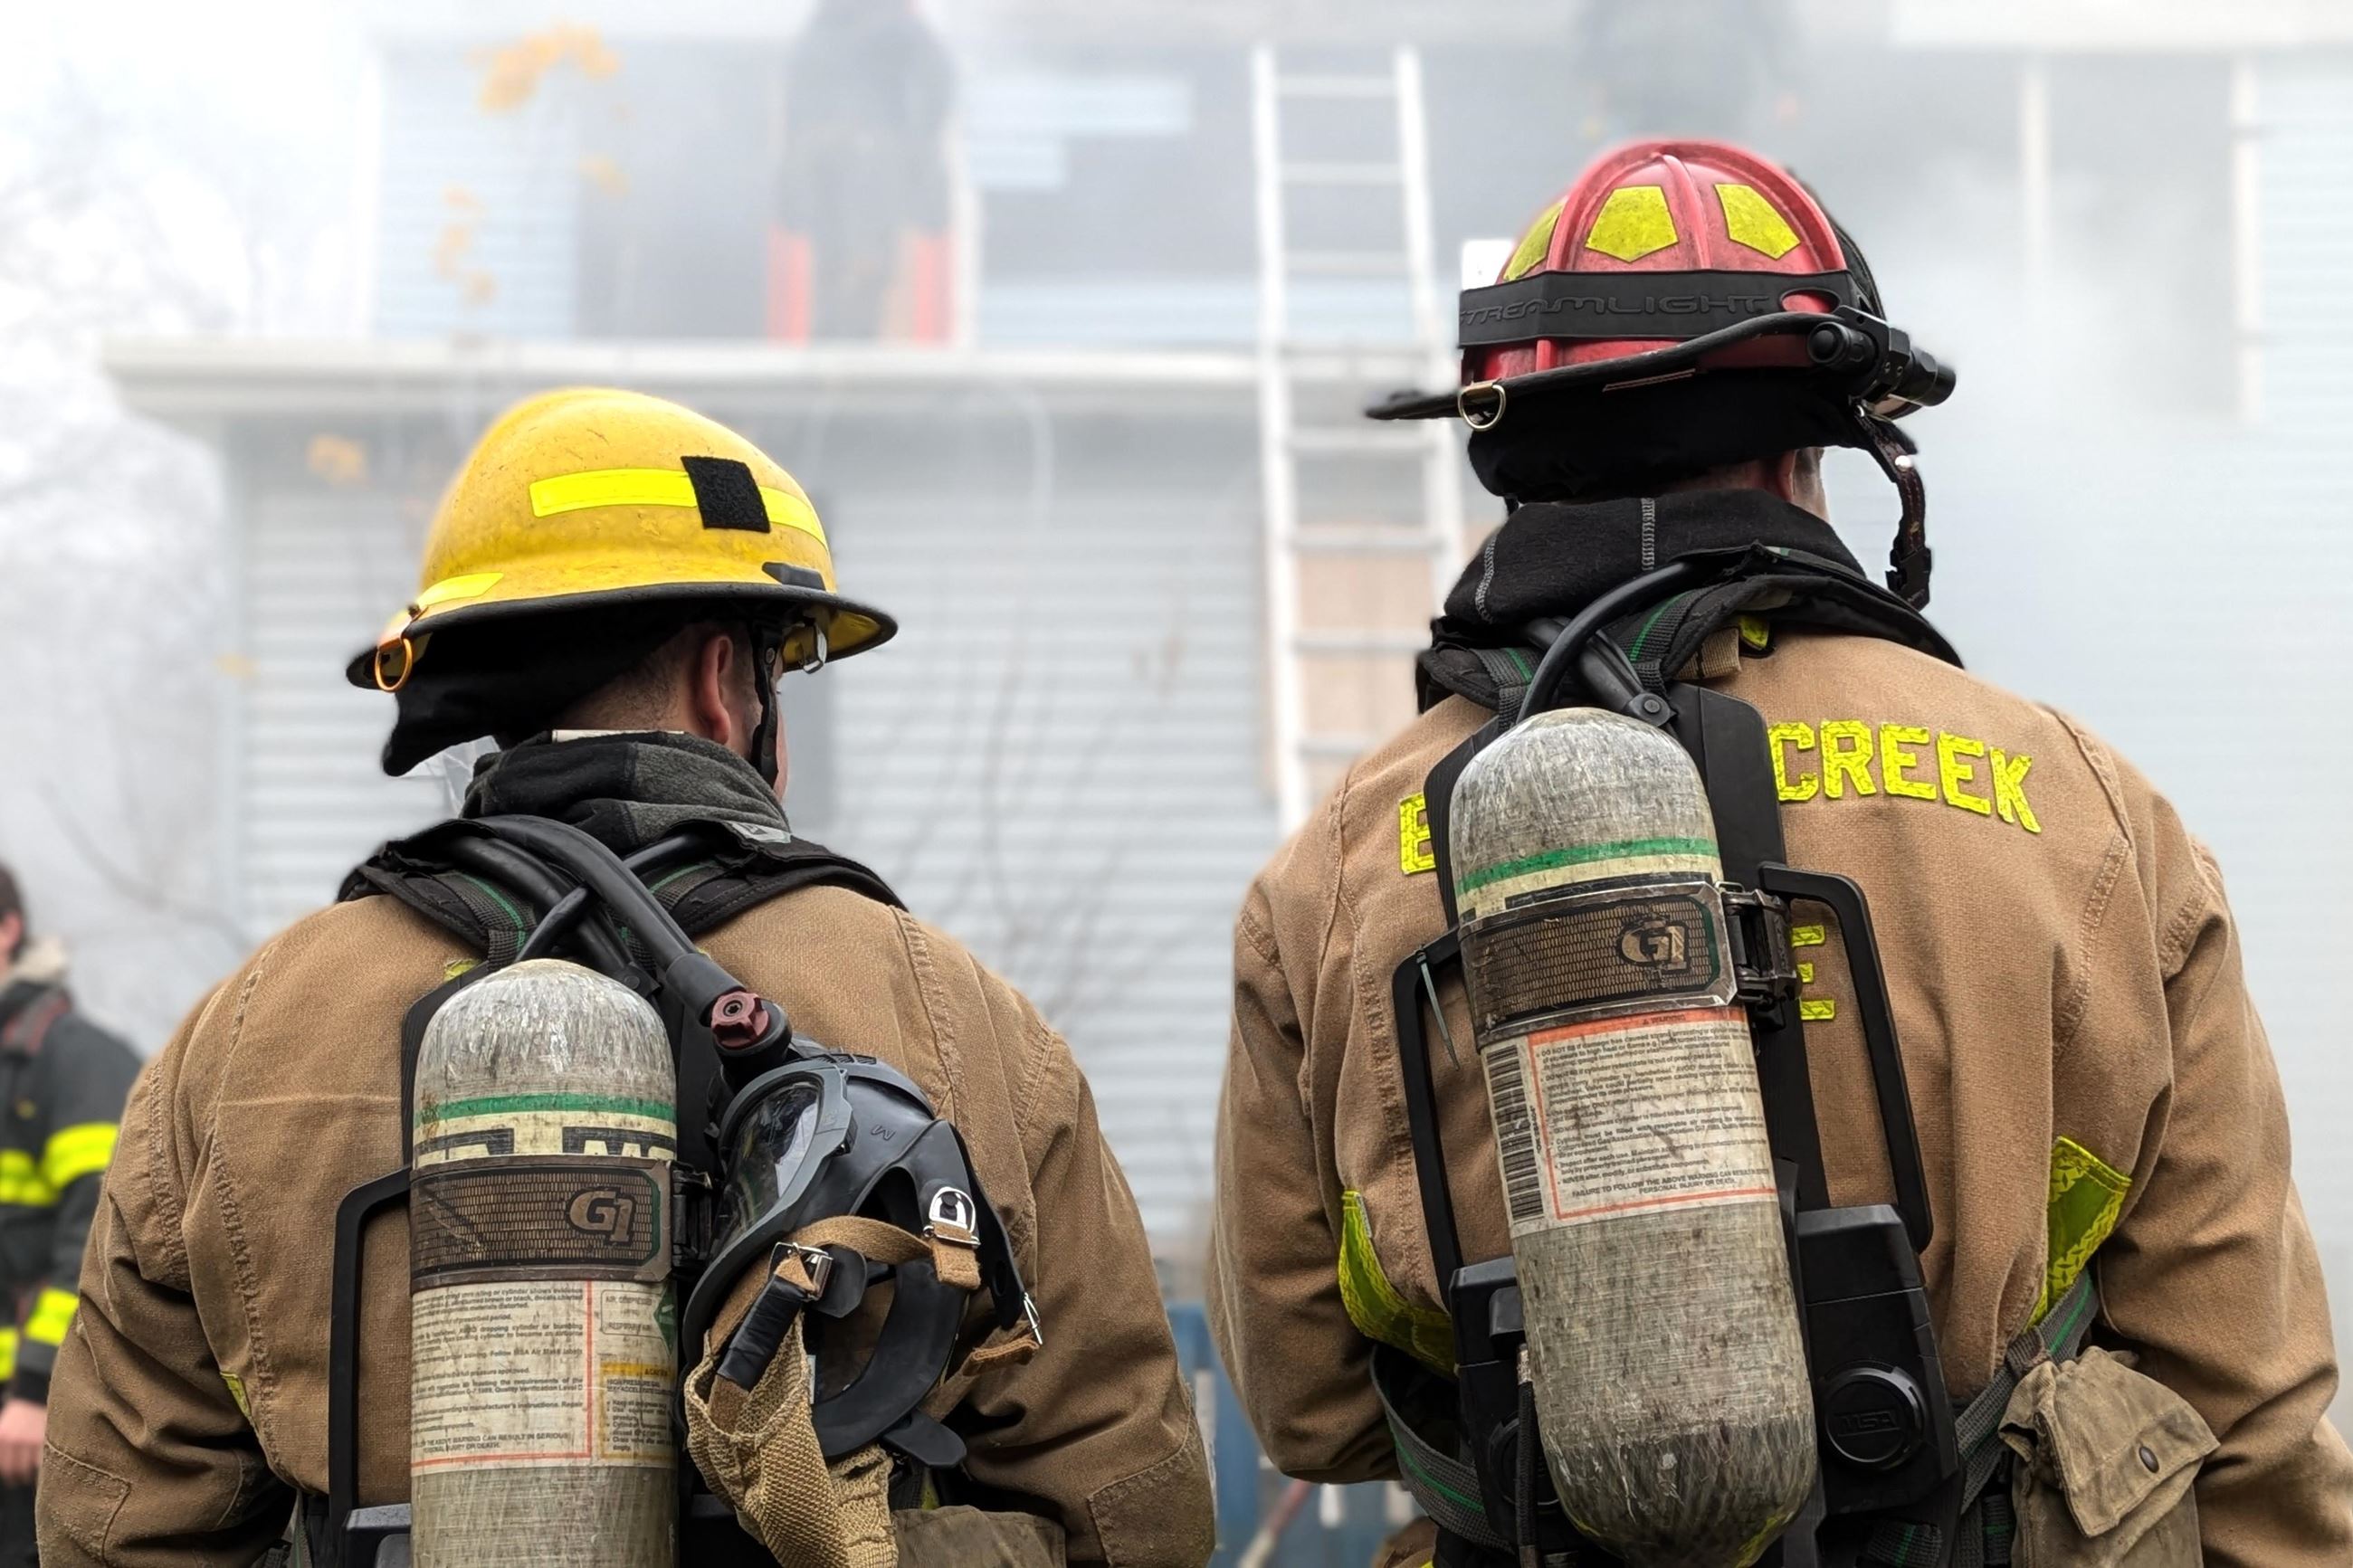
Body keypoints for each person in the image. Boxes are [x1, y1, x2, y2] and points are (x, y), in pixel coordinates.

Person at [1207, 139, 2353, 1567]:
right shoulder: (2088, 814)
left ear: (1527, 449)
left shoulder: (1333, 872)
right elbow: (2246, 1387)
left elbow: (1310, 1405)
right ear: (1813, 450)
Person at [38, 388, 1215, 1566]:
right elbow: (1130, 1513)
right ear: (723, 682)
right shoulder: (957, 1015)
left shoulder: (243, 1037)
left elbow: (117, 1527)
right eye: (778, 674)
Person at [0, 863, 138, 1568]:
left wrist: (31, 1390)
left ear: (8, 931)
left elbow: (98, 1236)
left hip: (29, 1428)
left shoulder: (74, 1061)